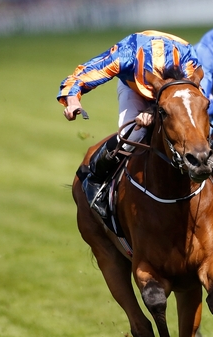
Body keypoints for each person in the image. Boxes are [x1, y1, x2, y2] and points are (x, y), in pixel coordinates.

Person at [58, 30, 202, 219]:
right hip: (134, 88)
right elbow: (83, 74)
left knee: (196, 131)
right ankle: (95, 178)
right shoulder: (124, 55)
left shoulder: (187, 58)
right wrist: (73, 100)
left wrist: (152, 112)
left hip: (177, 94)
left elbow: (193, 100)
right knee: (131, 134)